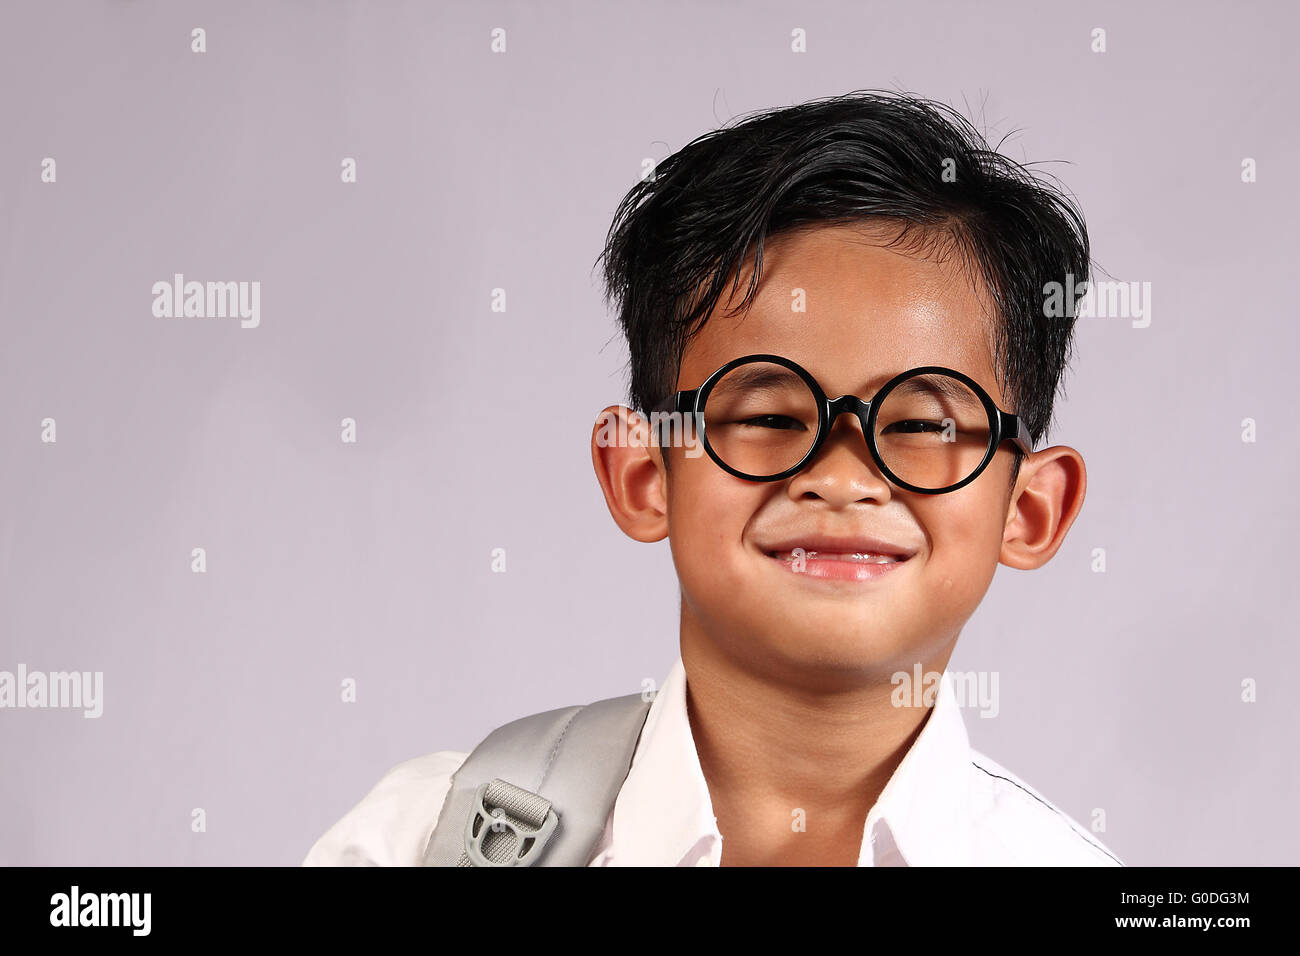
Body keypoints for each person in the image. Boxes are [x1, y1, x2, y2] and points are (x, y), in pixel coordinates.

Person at [304, 89, 1122, 866]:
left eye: (918, 425)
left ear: (1031, 508)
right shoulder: (424, 840)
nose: (842, 477)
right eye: (768, 417)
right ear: (641, 474)